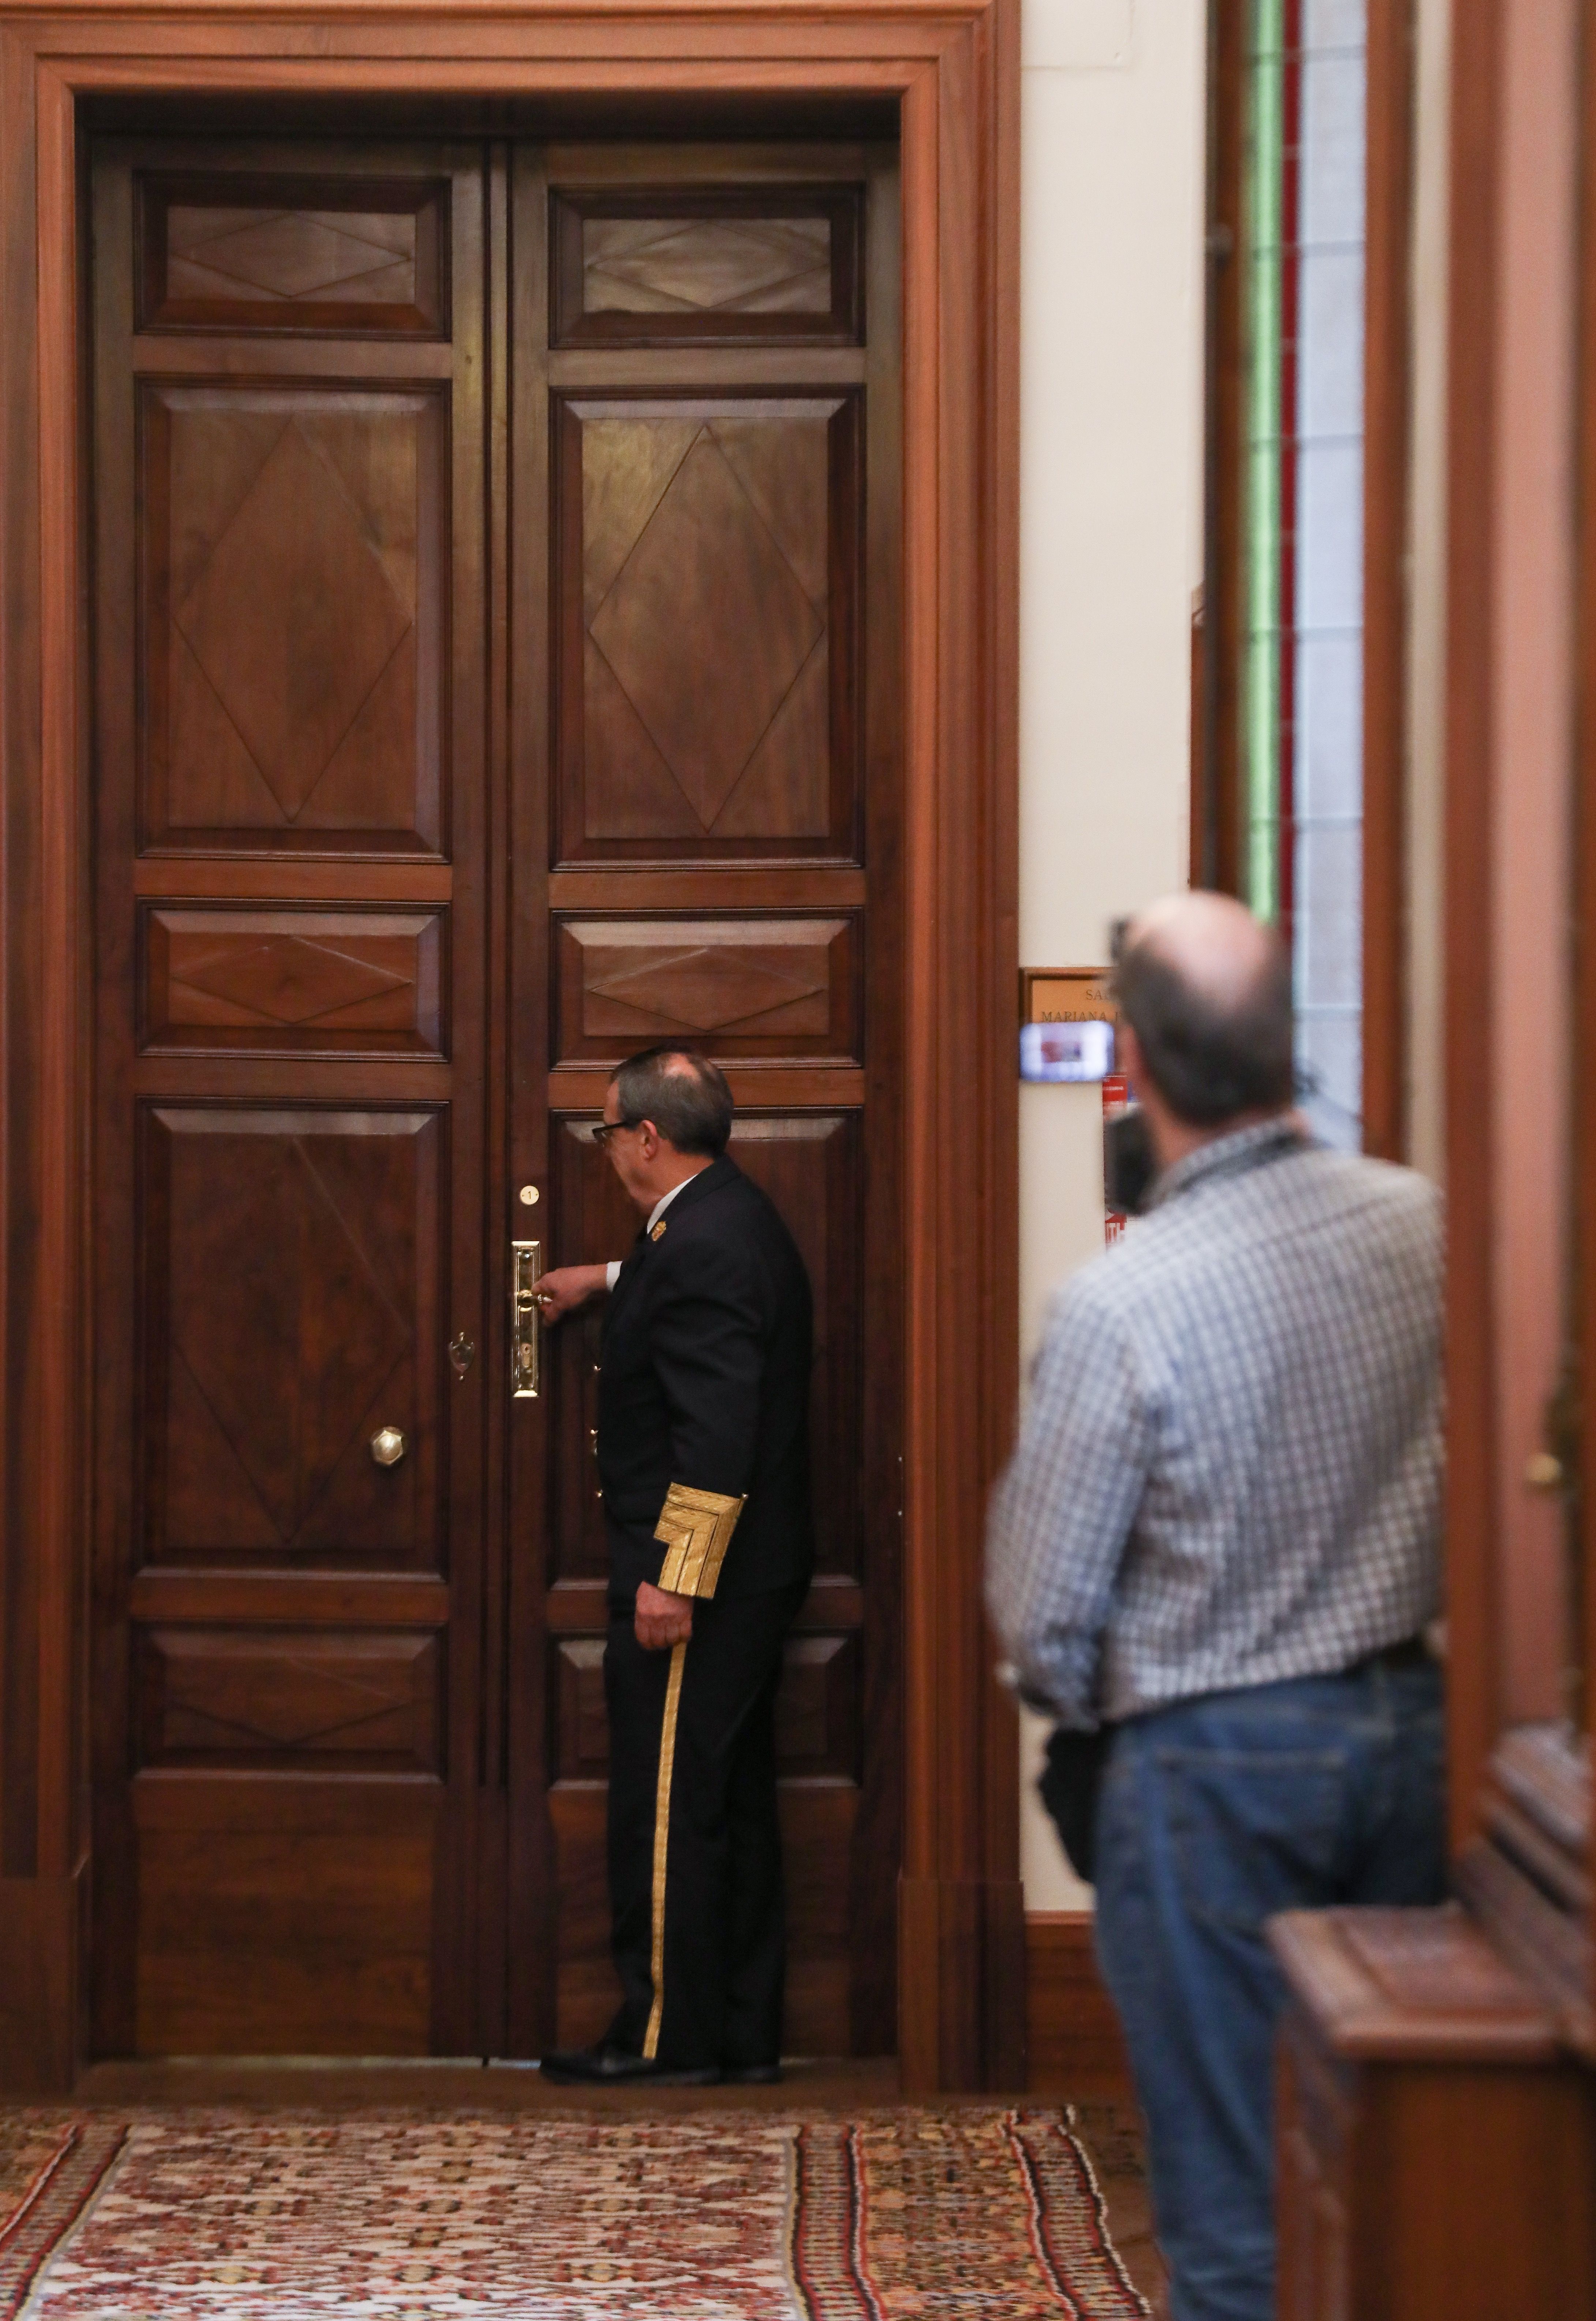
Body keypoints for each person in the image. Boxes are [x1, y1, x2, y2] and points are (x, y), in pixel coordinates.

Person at [986, 892, 1446, 2321]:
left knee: (1234, 2211)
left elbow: (1039, 1616)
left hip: (1207, 1767)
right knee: (1415, 2176)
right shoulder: (1420, 1225)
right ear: (1278, 1038)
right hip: (1420, 1728)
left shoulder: (1124, 1303)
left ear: (1134, 1055)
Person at [535, 1044, 813, 2086]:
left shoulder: (700, 1247)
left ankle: (661, 2037)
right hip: (749, 1575)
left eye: (606, 1132)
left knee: (665, 1808)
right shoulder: (719, 1219)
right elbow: (676, 1281)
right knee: (720, 1799)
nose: (604, 1150)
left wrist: (673, 1577)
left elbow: (717, 1432)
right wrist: (603, 1281)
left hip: (701, 1583)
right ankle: (737, 2034)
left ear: (646, 1138)